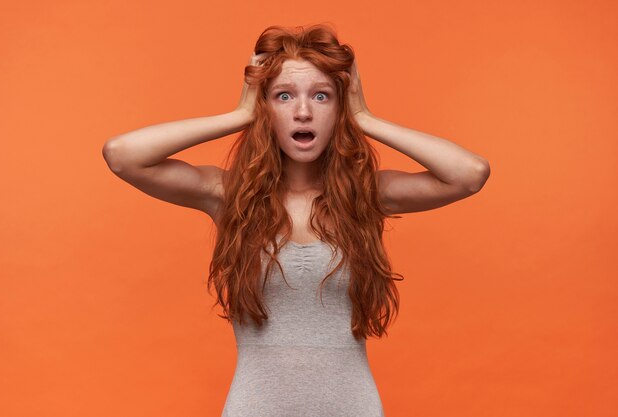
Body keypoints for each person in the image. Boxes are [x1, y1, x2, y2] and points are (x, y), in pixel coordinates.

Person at [102, 23, 490, 417]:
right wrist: (239, 114)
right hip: (255, 406)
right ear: (263, 105)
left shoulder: (365, 195)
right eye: (283, 96)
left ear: (339, 108)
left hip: (351, 406)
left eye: (321, 96)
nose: (303, 112)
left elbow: (470, 173)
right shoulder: (228, 194)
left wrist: (363, 116)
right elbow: (122, 154)